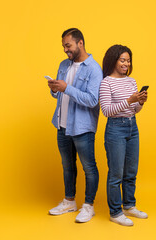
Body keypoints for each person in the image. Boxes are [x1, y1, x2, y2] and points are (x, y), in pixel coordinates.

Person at [47, 28, 103, 223]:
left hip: (82, 127)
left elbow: (93, 100)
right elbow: (59, 94)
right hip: (62, 124)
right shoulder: (63, 64)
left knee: (89, 167)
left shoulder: (94, 69)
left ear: (80, 43)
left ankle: (88, 206)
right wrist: (55, 89)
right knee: (67, 165)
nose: (65, 50)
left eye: (68, 45)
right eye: (63, 46)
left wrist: (66, 88)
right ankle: (69, 201)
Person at [99, 44, 148, 226]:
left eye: (128, 60)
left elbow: (134, 110)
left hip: (131, 127)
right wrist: (130, 100)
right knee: (116, 173)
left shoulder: (131, 81)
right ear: (113, 60)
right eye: (122, 60)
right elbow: (107, 111)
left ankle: (129, 205)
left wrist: (140, 102)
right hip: (115, 129)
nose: (126, 63)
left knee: (131, 171)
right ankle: (115, 212)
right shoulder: (106, 82)